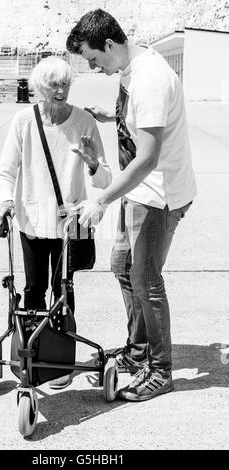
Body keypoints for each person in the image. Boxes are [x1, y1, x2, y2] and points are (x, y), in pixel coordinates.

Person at [66, 9, 197, 401]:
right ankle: (139, 351)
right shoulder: (129, 69)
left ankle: (160, 370)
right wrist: (111, 117)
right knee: (123, 266)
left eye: (94, 59)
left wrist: (101, 199)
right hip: (139, 192)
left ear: (109, 44)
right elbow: (140, 123)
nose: (94, 68)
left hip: (158, 195)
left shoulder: (150, 79)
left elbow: (149, 157)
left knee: (146, 281)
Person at [0, 56, 112, 388]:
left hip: (69, 221)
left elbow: (105, 180)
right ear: (39, 87)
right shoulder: (23, 121)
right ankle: (35, 360)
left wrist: (92, 164)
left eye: (65, 84)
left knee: (64, 291)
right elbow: (6, 171)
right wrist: (6, 200)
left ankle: (61, 361)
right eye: (53, 85)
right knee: (34, 290)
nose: (60, 91)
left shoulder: (84, 121)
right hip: (31, 220)